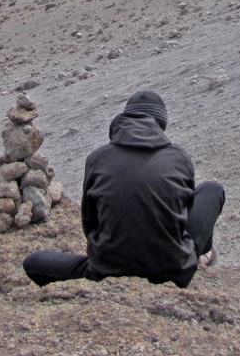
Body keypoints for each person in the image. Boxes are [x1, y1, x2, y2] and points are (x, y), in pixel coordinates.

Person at [23, 90, 224, 289]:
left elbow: (90, 224)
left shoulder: (97, 158)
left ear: (124, 120)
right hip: (174, 270)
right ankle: (199, 255)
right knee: (212, 189)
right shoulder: (179, 157)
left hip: (107, 270)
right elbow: (183, 214)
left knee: (34, 262)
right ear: (160, 125)